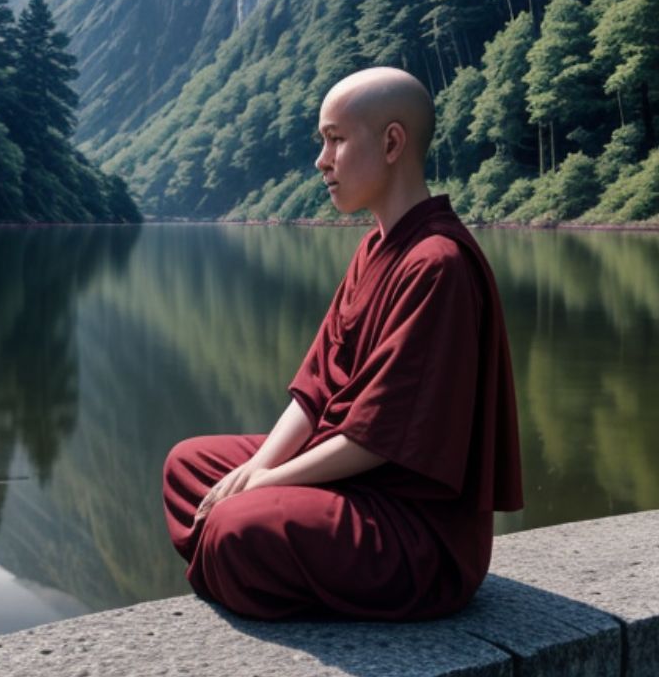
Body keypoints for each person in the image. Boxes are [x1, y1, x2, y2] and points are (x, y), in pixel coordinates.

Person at [162, 66, 523, 620]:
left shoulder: (438, 265)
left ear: (392, 142)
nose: (321, 161)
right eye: (322, 142)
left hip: (415, 534)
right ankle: (247, 558)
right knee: (188, 464)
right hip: (356, 487)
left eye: (335, 139)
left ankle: (241, 555)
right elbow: (314, 393)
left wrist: (265, 483)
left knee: (236, 524)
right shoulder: (376, 248)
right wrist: (256, 468)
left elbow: (378, 439)